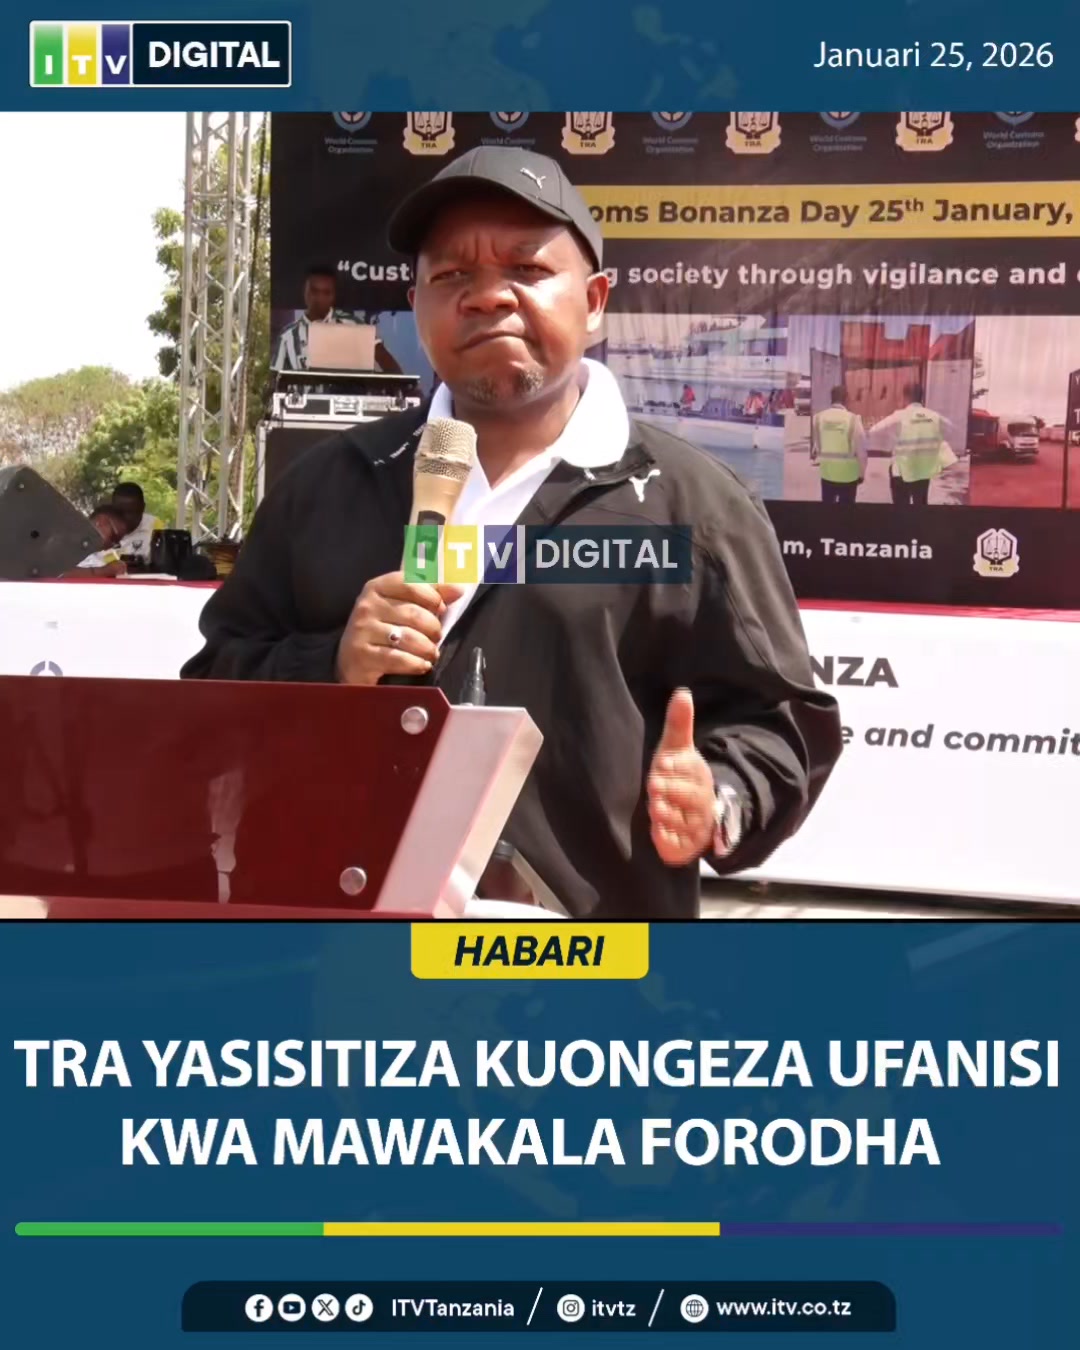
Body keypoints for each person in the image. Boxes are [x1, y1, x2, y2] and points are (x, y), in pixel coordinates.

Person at [182, 146, 842, 919]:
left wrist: (720, 795)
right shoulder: (326, 487)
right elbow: (213, 693)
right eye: (453, 275)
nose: (488, 296)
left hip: (586, 961)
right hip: (345, 945)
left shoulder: (692, 507)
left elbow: (781, 727)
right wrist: (332, 664)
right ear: (418, 304)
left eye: (527, 269)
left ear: (594, 301)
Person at [273, 263, 403, 374]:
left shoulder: (354, 326)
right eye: (314, 291)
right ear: (305, 291)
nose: (319, 298)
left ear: (334, 295)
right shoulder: (287, 336)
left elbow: (391, 367)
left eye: (326, 292)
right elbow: (275, 381)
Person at [872, 382, 952, 507]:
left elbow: (874, 431)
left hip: (901, 470)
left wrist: (891, 443)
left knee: (901, 508)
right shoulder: (933, 416)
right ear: (922, 397)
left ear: (905, 397)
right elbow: (950, 430)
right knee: (920, 505)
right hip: (923, 469)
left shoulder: (899, 416)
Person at [811, 385, 867, 504]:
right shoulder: (853, 420)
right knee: (846, 513)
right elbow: (862, 453)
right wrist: (861, 474)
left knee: (827, 511)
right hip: (848, 476)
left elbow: (818, 446)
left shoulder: (818, 418)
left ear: (831, 398)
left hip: (827, 474)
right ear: (846, 399)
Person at [68, 503, 129, 577]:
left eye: (116, 542)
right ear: (100, 522)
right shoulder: (64, 540)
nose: (111, 546)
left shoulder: (98, 560)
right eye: (114, 537)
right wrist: (104, 571)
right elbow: (60, 574)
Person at [112, 483, 162, 566]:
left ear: (142, 508)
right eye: (119, 512)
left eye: (130, 512)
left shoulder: (155, 527)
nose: (124, 518)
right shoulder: (100, 529)